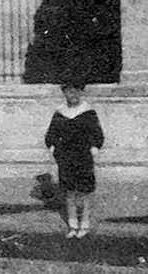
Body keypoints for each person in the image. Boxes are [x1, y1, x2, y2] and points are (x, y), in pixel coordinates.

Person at [44, 80, 105, 238]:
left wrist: (95, 147)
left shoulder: (88, 113)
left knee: (84, 192)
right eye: (69, 92)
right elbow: (51, 134)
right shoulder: (60, 113)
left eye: (76, 91)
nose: (73, 95)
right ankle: (72, 225)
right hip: (66, 157)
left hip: (83, 156)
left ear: (81, 93)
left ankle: (84, 224)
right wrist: (52, 146)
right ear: (64, 93)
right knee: (69, 192)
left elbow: (97, 134)